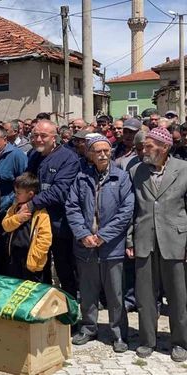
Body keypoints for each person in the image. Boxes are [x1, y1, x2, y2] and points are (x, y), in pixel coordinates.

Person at [66, 135, 133, 353]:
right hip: (85, 245)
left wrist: (103, 235)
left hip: (111, 245)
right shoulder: (81, 178)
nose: (103, 154)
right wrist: (83, 233)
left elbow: (126, 211)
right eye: (98, 151)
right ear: (90, 154)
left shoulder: (121, 177)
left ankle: (118, 332)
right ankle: (88, 327)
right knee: (87, 290)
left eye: (106, 150)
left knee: (115, 293)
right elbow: (72, 207)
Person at [128, 127, 187, 361]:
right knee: (145, 296)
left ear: (164, 147)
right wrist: (129, 239)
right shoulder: (135, 171)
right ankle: (146, 341)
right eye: (143, 145)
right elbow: (130, 210)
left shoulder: (184, 170)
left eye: (150, 146)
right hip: (144, 240)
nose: (144, 149)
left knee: (179, 296)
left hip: (176, 240)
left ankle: (180, 342)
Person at [27, 119, 80, 296]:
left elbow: (60, 191)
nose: (39, 140)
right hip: (38, 224)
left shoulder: (68, 158)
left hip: (60, 225)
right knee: (38, 269)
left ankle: (70, 316)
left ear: (54, 137)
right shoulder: (33, 156)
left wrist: (32, 203)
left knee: (65, 271)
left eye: (43, 136)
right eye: (35, 135)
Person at [1, 172, 51, 281]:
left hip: (31, 260)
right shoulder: (14, 209)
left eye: (18, 193)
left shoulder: (40, 213)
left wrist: (35, 258)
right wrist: (18, 218)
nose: (15, 195)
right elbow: (5, 225)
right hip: (14, 256)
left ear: (30, 194)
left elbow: (45, 239)